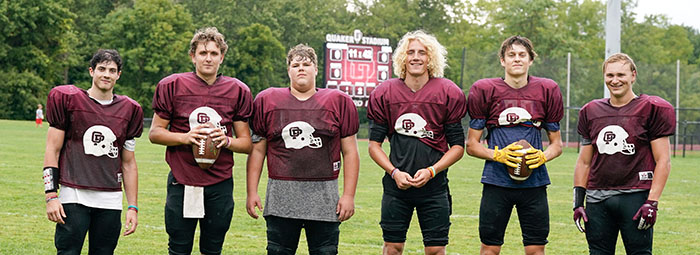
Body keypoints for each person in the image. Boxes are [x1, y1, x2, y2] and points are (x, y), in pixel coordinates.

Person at [245, 44, 360, 255]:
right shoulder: (267, 100)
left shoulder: (338, 101)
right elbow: (258, 151)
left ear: (316, 69)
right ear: (288, 69)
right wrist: (251, 191)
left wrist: (348, 195)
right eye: (295, 64)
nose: (301, 68)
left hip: (325, 197)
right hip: (281, 196)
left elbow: (350, 151)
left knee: (325, 252)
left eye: (306, 64)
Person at [149, 27, 253, 255]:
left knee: (213, 248)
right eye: (203, 52)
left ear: (222, 57)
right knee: (179, 248)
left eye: (214, 53)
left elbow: (246, 144)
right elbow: (155, 133)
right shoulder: (172, 85)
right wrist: (184, 138)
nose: (208, 58)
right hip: (183, 179)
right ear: (192, 56)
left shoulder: (237, 90)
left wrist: (226, 141)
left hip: (220, 183)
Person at [367, 30, 467, 255]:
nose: (416, 57)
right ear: (403, 57)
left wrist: (432, 171)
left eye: (422, 52)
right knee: (392, 248)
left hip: (434, 187)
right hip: (396, 187)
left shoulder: (447, 92)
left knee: (435, 249)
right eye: (410, 52)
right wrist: (394, 172)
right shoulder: (386, 93)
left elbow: (458, 147)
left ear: (431, 58)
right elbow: (374, 146)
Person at [465, 35, 563, 255]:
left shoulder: (547, 89)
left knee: (536, 249)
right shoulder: (484, 89)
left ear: (530, 60)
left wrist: (543, 157)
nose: (516, 59)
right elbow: (472, 145)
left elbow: (556, 145)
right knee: (490, 248)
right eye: (511, 55)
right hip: (496, 181)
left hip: (535, 183)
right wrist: (498, 155)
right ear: (502, 60)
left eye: (522, 55)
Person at [572, 53, 675, 254]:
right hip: (597, 198)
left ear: (633, 76)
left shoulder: (651, 108)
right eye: (610, 75)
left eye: (621, 74)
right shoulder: (591, 111)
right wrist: (577, 203)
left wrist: (652, 202)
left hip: (635, 196)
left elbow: (663, 160)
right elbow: (584, 162)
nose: (615, 80)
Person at [43, 49, 143, 254]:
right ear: (91, 71)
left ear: (118, 75)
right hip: (74, 195)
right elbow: (52, 149)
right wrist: (51, 195)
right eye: (102, 69)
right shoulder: (69, 99)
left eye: (112, 70)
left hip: (110, 199)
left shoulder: (129, 110)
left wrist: (132, 206)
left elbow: (128, 162)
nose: (106, 74)